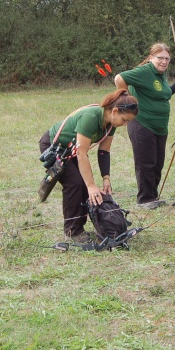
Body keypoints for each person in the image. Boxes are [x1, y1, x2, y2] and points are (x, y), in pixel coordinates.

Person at [38, 90, 139, 243]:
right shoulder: (90, 117)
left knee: (84, 185)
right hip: (53, 147)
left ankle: (82, 226)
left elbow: (104, 151)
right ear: (115, 111)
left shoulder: (111, 124)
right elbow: (81, 153)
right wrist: (91, 185)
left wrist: (106, 178)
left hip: (71, 150)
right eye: (124, 120)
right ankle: (73, 231)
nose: (125, 124)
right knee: (76, 183)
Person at [115, 43, 175, 209]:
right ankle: (145, 199)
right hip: (142, 124)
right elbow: (119, 78)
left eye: (167, 59)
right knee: (145, 163)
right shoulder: (145, 71)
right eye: (160, 58)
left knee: (157, 163)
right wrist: (127, 99)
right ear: (151, 58)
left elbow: (162, 94)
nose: (164, 61)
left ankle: (152, 196)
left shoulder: (160, 74)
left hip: (160, 127)